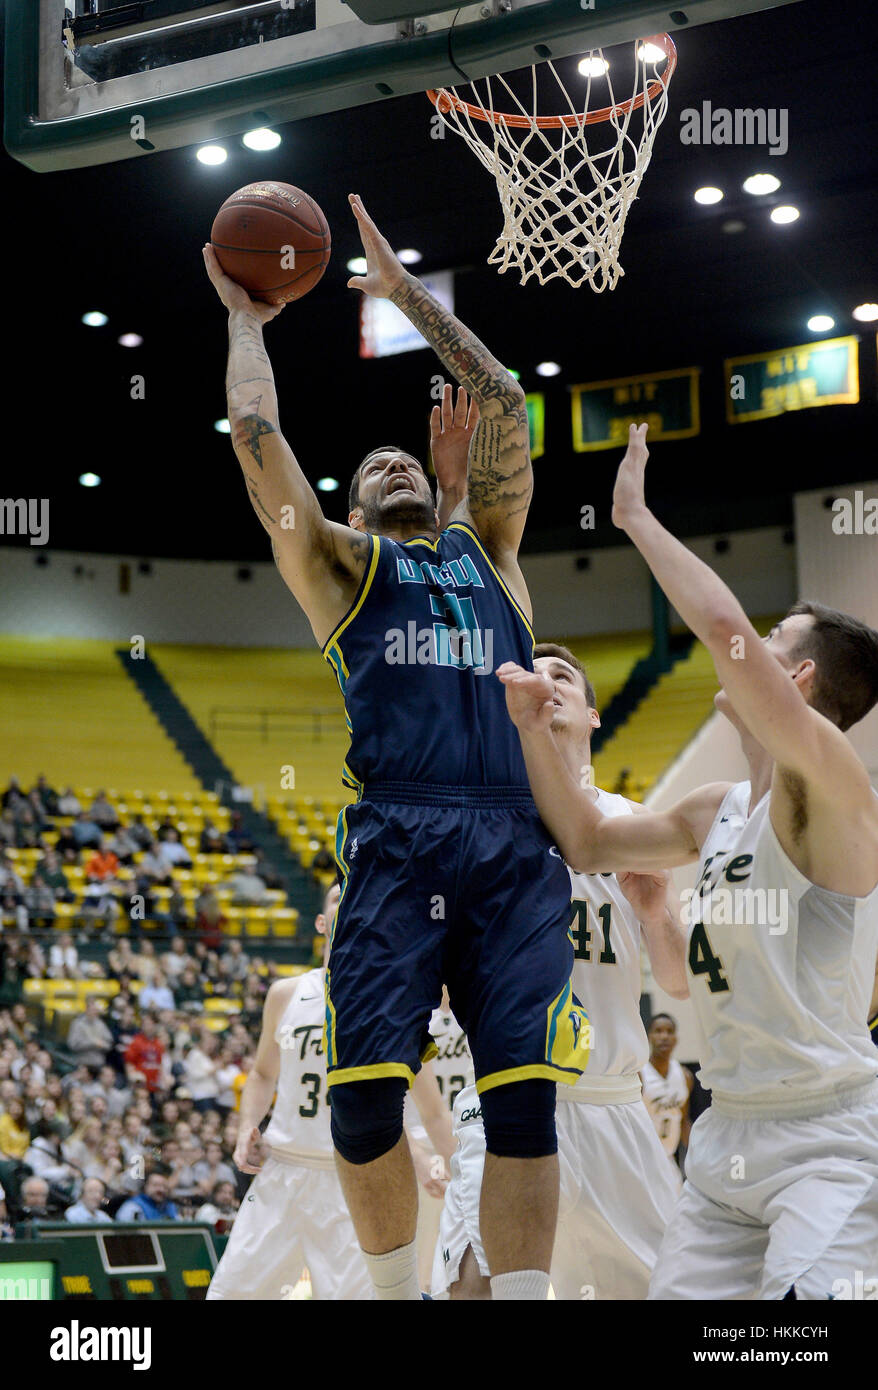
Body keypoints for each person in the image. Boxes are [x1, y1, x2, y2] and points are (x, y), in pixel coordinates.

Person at [203, 194, 590, 1303]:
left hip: (512, 841)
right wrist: (245, 320)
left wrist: (406, 295)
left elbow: (506, 398)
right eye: (365, 467)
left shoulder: (491, 552)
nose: (387, 464)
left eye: (401, 457)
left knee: (521, 1103)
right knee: (365, 1101)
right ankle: (387, 1298)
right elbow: (256, 439)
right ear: (354, 506)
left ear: (436, 471)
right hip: (399, 832)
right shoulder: (336, 568)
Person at [498, 422, 878, 1302]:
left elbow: (718, 627)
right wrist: (530, 731)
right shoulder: (717, 811)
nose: (751, 643)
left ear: (803, 680)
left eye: (775, 638)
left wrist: (634, 516)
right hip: (726, 1127)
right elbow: (586, 840)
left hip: (829, 1133)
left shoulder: (832, 788)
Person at [433, 645, 687, 1300]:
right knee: (474, 1287)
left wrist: (657, 916)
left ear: (594, 716)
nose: (546, 683)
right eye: (534, 674)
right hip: (511, 1089)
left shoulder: (633, 822)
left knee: (669, 1292)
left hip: (613, 1106)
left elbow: (681, 981)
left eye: (563, 676)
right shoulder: (481, 822)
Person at [207, 884, 454, 1301]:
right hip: (282, 1171)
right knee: (230, 1294)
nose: (349, 901)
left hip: (356, 1178)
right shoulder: (286, 994)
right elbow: (263, 1073)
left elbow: (431, 1111)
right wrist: (247, 1126)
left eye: (357, 894)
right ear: (322, 923)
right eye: (338, 897)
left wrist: (450, 1165)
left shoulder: (391, 1000)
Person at [641, 1013, 694, 1183]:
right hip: (642, 1161)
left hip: (668, 1159)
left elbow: (683, 1121)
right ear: (649, 1036)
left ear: (676, 1038)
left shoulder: (684, 1076)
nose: (664, 1036)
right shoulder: (639, 1074)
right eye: (658, 1031)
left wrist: (700, 1153)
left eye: (669, 1031)